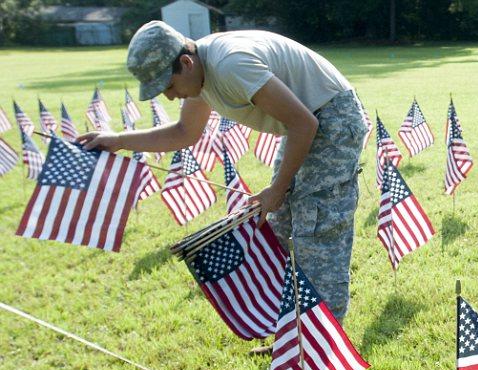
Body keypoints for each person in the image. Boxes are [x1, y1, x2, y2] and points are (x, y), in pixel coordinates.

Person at [80, 20, 367, 327]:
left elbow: (305, 124)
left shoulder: (231, 65)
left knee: (317, 231)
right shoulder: (198, 76)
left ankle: (322, 343)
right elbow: (184, 132)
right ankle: (291, 334)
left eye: (168, 86)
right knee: (280, 229)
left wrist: (278, 188)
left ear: (186, 63)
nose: (169, 96)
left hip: (332, 118)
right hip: (302, 124)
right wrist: (119, 141)